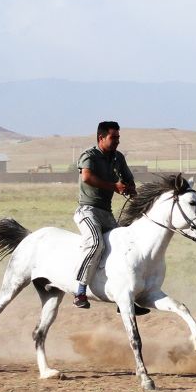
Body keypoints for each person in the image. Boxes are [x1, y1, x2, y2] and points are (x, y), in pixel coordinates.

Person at [72, 121, 144, 311]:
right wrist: (114, 187)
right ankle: (80, 291)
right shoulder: (89, 155)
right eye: (114, 138)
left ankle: (125, 297)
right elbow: (87, 177)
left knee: (124, 249)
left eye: (118, 138)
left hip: (106, 213)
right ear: (101, 138)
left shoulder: (117, 158)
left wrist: (131, 188)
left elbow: (128, 178)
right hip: (87, 210)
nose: (117, 141)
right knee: (95, 243)